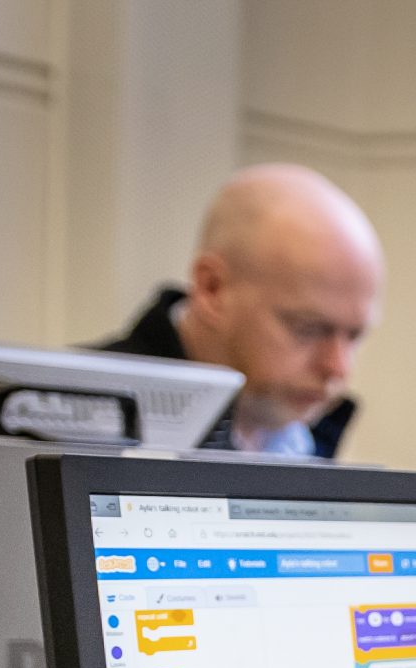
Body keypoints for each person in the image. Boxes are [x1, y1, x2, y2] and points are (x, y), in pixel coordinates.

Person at [97, 163, 383, 458]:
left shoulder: (310, 437)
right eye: (308, 328)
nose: (337, 368)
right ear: (213, 288)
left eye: (354, 336)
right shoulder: (69, 417)